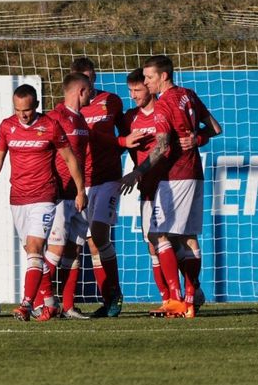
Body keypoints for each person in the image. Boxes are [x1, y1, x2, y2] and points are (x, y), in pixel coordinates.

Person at [121, 55, 221, 318]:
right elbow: (215, 128)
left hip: (175, 175)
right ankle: (189, 299)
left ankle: (176, 298)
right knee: (186, 237)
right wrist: (197, 138)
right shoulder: (188, 94)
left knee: (158, 233)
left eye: (149, 77)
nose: (146, 82)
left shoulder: (164, 105)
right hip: (193, 173)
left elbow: (163, 145)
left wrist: (138, 171)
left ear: (164, 76)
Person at [0, 84, 86, 322]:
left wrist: (80, 190)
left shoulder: (50, 126)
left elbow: (70, 158)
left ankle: (27, 304)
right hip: (18, 198)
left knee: (36, 247)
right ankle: (50, 303)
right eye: (18, 110)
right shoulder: (7, 126)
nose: (22, 115)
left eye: (26, 110)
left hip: (44, 197)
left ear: (36, 106)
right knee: (32, 253)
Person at [71, 57, 130, 317]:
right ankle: (108, 299)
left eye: (91, 76)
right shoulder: (70, 110)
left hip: (107, 178)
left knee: (99, 234)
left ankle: (114, 291)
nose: (89, 82)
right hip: (82, 182)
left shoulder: (111, 100)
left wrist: (138, 171)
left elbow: (127, 136)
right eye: (84, 78)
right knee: (91, 243)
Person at [38, 73, 93, 320]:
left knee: (74, 251)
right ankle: (41, 302)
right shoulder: (55, 117)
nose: (92, 94)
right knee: (56, 250)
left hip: (78, 194)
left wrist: (82, 190)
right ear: (81, 90)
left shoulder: (81, 120)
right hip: (59, 194)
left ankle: (68, 306)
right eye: (89, 90)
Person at [121, 68, 171, 311]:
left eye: (137, 90)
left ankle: (190, 291)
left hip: (172, 182)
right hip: (148, 187)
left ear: (149, 87)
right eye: (130, 91)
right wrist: (124, 142)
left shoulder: (165, 110)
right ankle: (167, 297)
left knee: (178, 240)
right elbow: (119, 145)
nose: (133, 95)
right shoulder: (129, 118)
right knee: (153, 243)